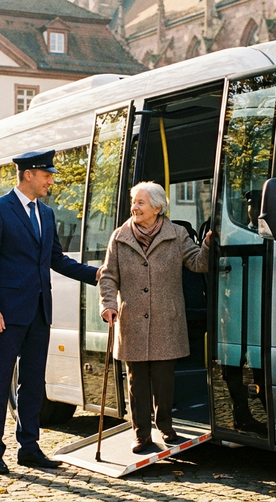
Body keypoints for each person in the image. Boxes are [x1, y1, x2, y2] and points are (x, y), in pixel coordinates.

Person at [0, 150, 99, 475]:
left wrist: (95, 275)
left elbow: (56, 259)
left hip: (39, 313)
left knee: (33, 383)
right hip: (6, 315)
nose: (51, 181)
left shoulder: (46, 213)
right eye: (47, 175)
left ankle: (29, 448)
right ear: (29, 174)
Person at [99, 181, 210, 453]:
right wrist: (108, 305)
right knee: (137, 381)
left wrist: (207, 245)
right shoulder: (119, 237)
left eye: (140, 202)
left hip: (165, 318)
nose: (134, 207)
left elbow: (198, 264)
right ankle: (141, 435)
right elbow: (108, 275)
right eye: (134, 202)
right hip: (132, 319)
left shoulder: (177, 234)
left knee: (164, 378)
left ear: (157, 207)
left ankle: (166, 428)